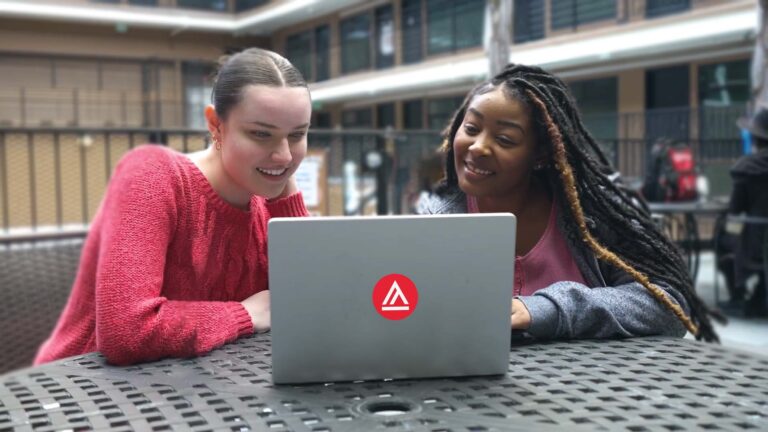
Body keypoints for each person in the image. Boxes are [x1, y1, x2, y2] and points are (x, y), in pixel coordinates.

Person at [35, 48, 312, 365]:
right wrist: (245, 314)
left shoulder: (268, 199)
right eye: (261, 134)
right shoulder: (153, 175)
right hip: (79, 391)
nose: (285, 155)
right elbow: (126, 332)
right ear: (215, 125)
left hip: (196, 388)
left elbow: (305, 305)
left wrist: (285, 193)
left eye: (297, 135)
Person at [419, 64, 719, 341]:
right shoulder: (437, 217)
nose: (479, 146)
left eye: (505, 139)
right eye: (471, 129)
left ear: (540, 155)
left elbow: (668, 304)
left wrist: (549, 309)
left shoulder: (593, 213)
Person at [727, 106, 768, 316]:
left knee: (726, 238)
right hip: (761, 237)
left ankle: (738, 294)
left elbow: (735, 208)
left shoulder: (747, 167)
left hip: (756, 241)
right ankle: (760, 294)